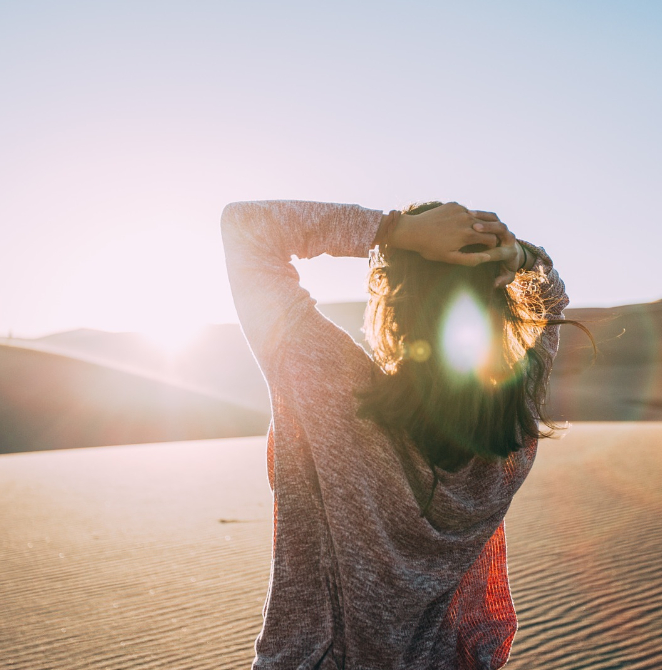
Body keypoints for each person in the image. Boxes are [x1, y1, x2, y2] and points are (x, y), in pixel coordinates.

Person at [221, 200, 571, 670]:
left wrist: (394, 230)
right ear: (500, 301)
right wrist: (522, 258)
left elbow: (246, 228)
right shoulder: (512, 430)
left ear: (392, 297)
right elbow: (551, 297)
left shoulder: (330, 386)